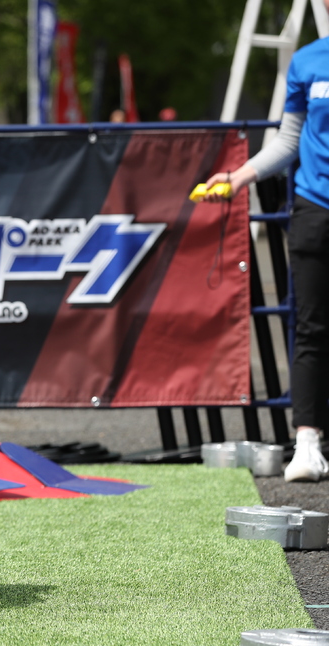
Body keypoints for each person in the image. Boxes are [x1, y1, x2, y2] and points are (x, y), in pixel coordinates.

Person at [202, 19, 329, 482]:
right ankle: (308, 445)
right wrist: (238, 177)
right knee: (311, 329)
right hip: (315, 208)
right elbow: (290, 140)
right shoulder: (307, 60)